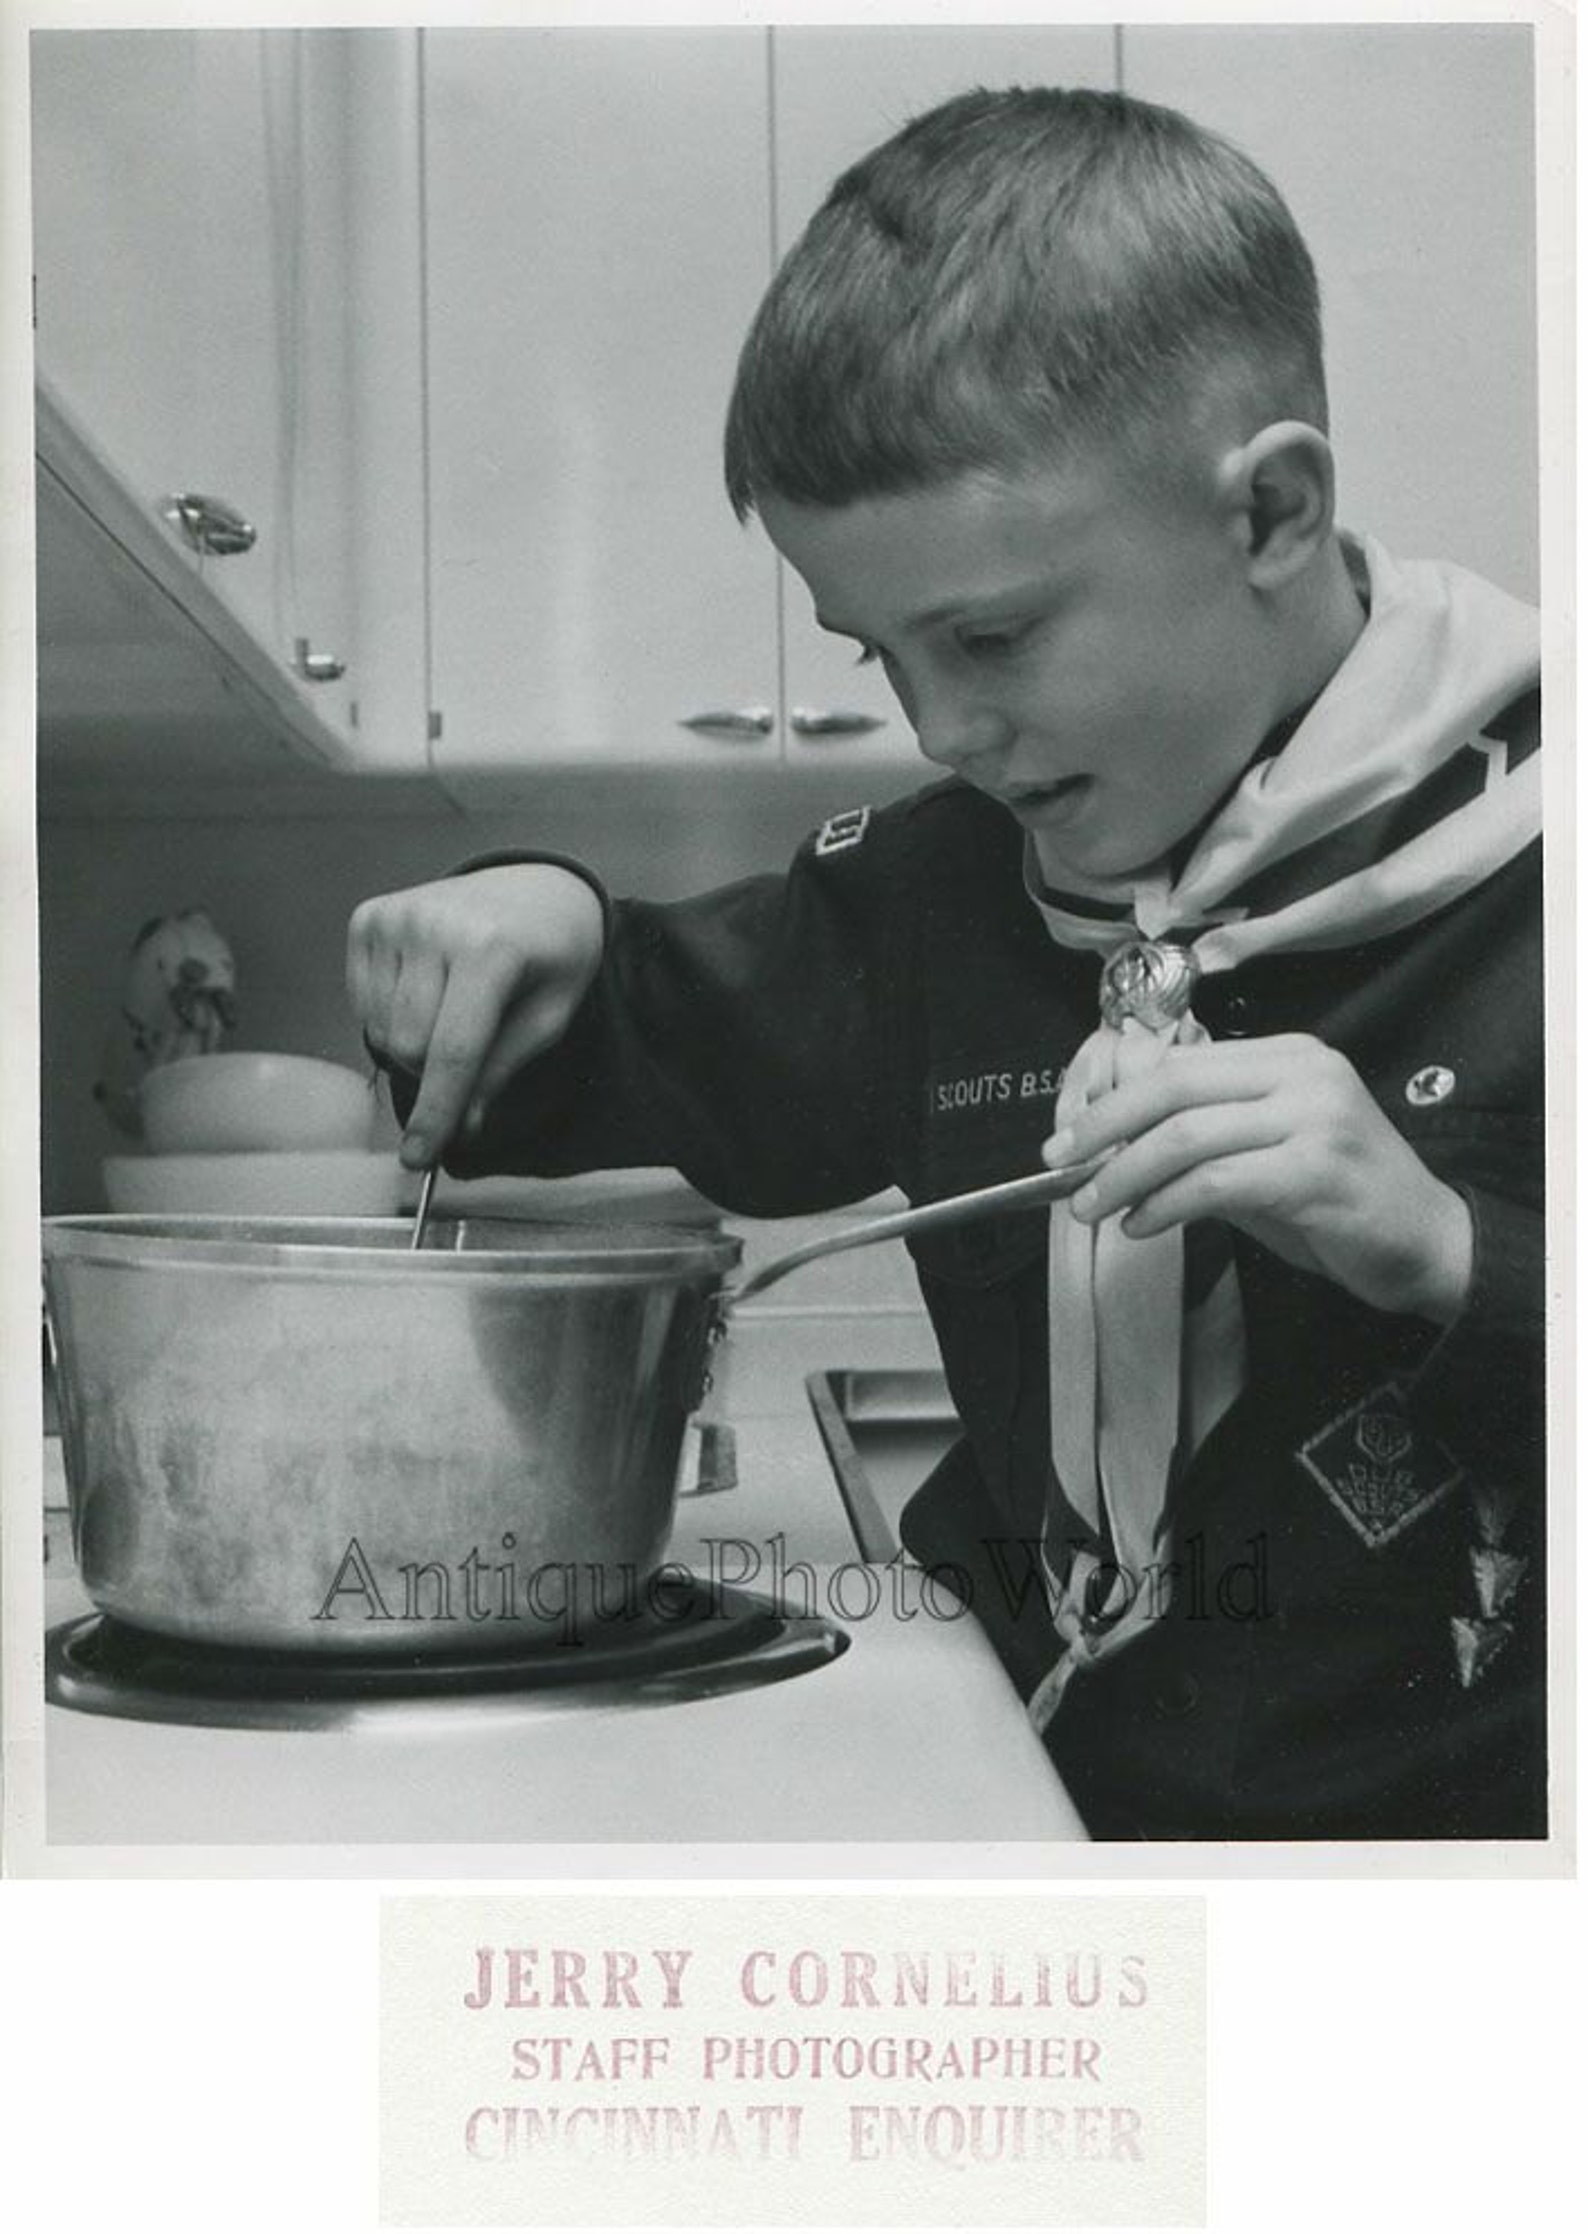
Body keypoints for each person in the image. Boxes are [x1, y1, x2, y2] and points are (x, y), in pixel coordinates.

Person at [347, 87, 1544, 1841]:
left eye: (991, 634)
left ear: (1273, 511)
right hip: (1025, 1786)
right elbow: (632, 1028)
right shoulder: (939, 893)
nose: (944, 726)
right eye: (879, 649)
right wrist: (531, 911)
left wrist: (1448, 1250)